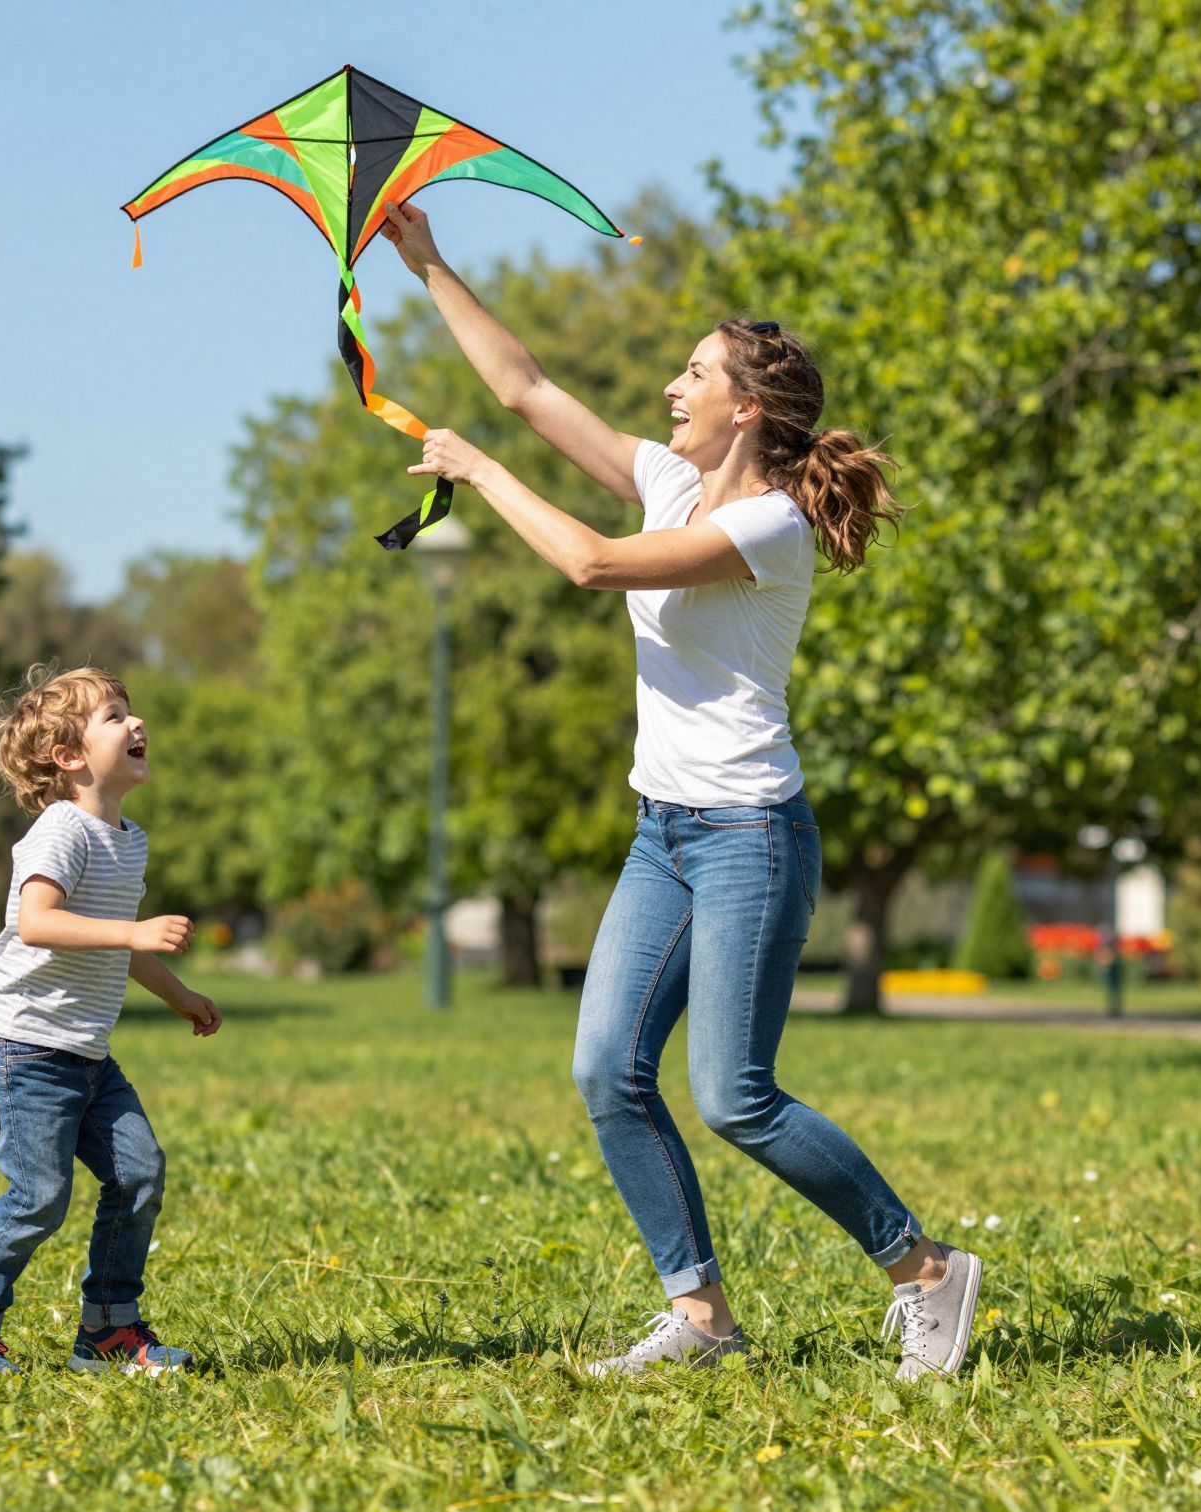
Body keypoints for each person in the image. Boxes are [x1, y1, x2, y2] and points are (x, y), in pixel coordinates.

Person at [379, 200, 982, 1380]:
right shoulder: (666, 479)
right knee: (604, 1068)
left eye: (692, 372)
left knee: (734, 1095)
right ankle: (701, 1320)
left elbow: (590, 564)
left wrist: (478, 473)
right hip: (663, 834)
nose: (670, 386)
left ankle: (926, 1271)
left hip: (751, 836)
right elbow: (525, 386)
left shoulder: (769, 523)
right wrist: (428, 263)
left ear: (744, 408)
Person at [0, 664, 222, 1375]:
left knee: (139, 1173)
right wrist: (133, 934)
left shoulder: (127, 837)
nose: (136, 723)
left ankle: (109, 1330)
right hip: (21, 1050)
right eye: (115, 717)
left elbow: (120, 942)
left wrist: (178, 994)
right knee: (39, 1196)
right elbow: (38, 921)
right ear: (69, 757)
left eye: (131, 711)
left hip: (85, 1055)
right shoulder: (62, 830)